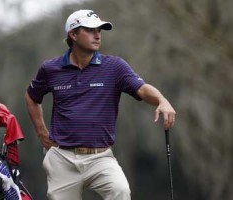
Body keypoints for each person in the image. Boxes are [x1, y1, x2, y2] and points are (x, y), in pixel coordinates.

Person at [25, 9, 176, 200]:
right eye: (90, 30)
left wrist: (161, 100)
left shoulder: (114, 67)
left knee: (120, 191)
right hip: (62, 159)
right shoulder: (50, 69)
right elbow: (32, 97)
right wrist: (41, 132)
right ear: (73, 34)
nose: (97, 35)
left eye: (99, 30)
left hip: (100, 157)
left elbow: (142, 89)